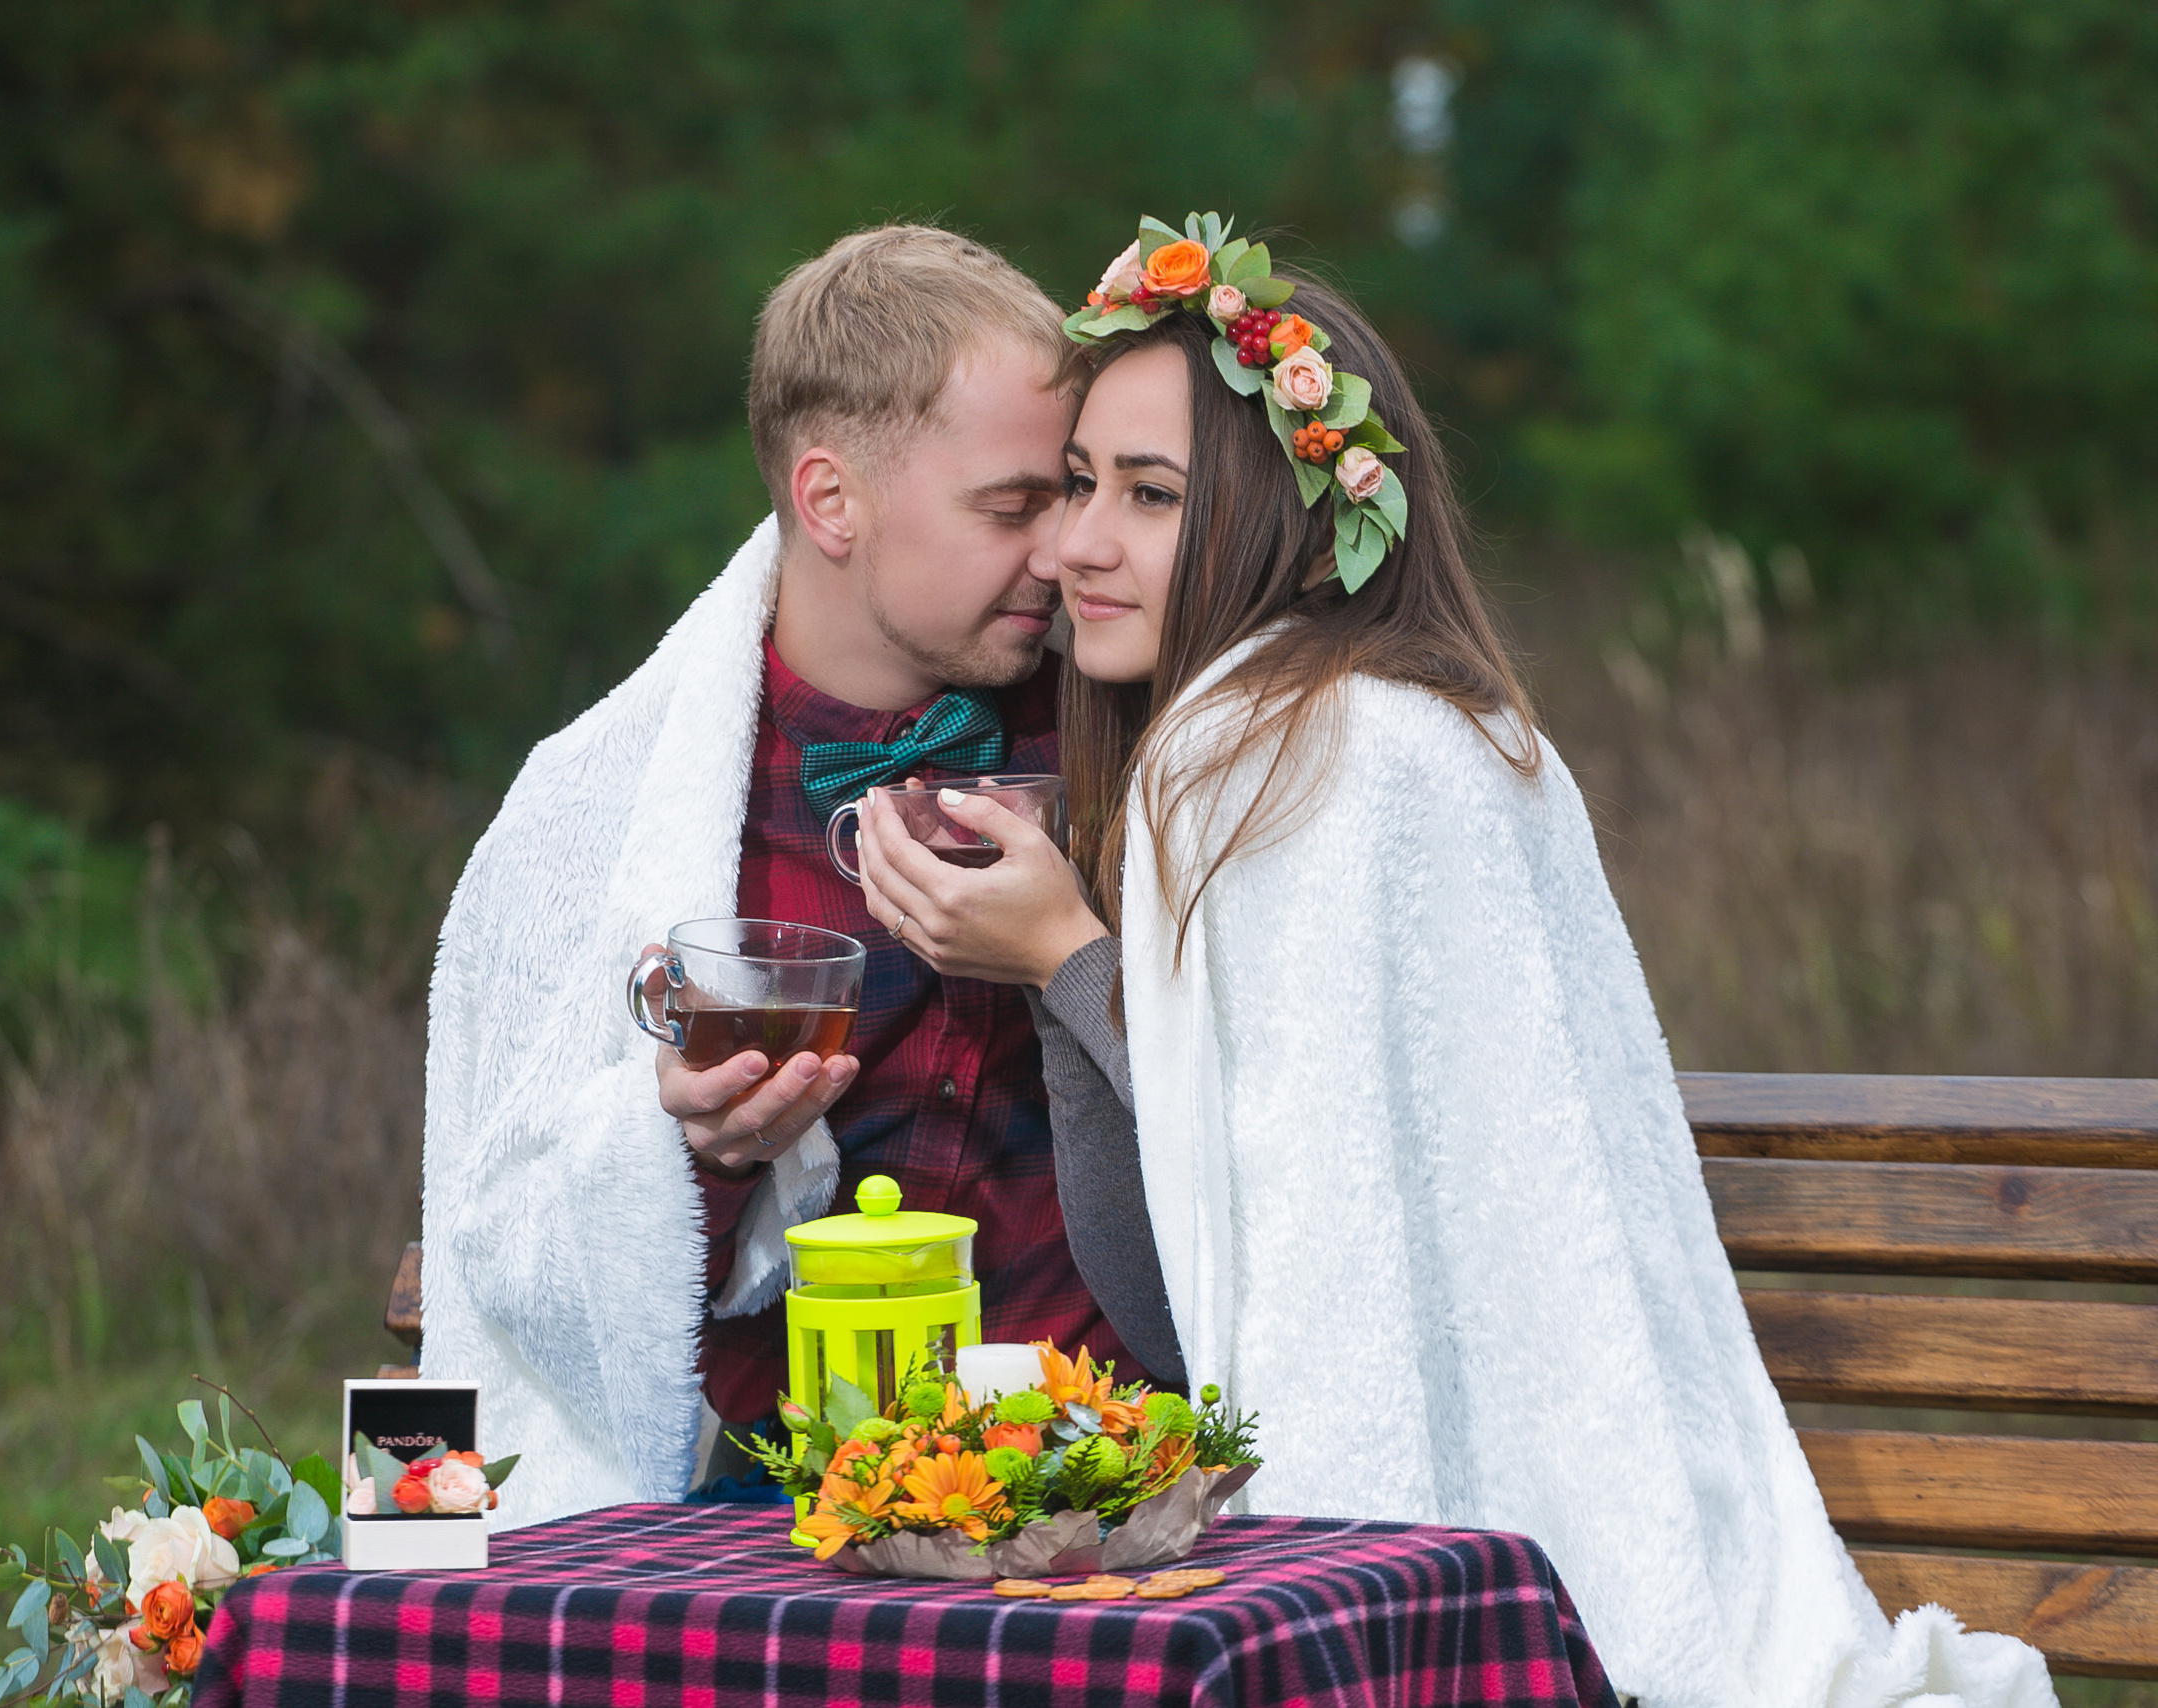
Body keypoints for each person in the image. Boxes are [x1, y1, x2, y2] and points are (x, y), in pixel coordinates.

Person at [848, 217, 2055, 1708]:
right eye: (1079, 481)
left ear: (1282, 518)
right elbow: (1223, 1285)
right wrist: (1066, 967)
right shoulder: (1393, 727)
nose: (1077, 541)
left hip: (1446, 1573)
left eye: (1149, 496)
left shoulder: (1308, 755)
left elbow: (1278, 1280)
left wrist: (1069, 958)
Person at [417, 224, 1160, 1526]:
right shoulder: (616, 803)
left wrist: (1075, 948)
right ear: (830, 501)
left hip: (1116, 1463)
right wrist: (686, 1143)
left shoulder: (1129, 731)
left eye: (1077, 492)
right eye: (1013, 505)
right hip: (775, 1496)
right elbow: (514, 1229)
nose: (1061, 551)